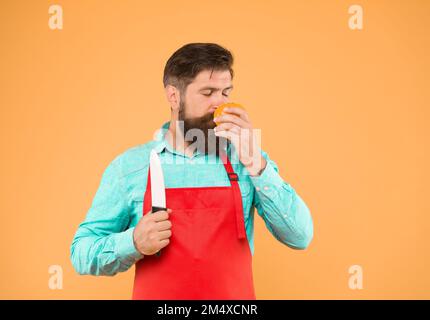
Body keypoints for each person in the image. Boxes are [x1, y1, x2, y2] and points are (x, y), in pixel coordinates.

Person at [71, 43, 314, 299]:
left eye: (225, 93)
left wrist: (257, 165)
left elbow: (300, 236)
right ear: (174, 96)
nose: (219, 104)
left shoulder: (247, 160)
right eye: (208, 92)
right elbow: (81, 253)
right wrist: (132, 242)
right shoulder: (130, 168)